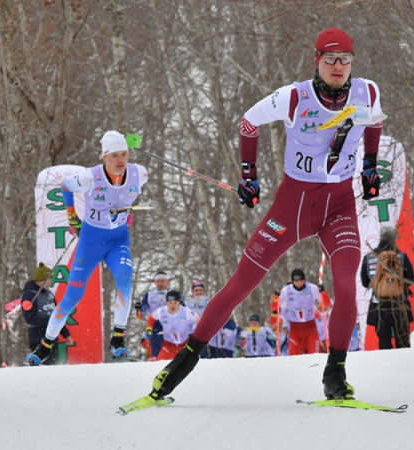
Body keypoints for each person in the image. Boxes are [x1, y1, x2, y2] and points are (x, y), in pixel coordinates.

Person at [145, 27, 384, 401]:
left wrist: (370, 164)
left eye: (345, 59)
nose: (338, 67)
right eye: (330, 59)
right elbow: (248, 122)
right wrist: (248, 175)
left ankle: (335, 374)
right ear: (316, 60)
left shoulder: (366, 92)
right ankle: (183, 362)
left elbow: (375, 122)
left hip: (339, 206)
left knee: (346, 285)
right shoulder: (294, 97)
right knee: (241, 283)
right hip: (294, 206)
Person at [26, 130, 149, 365]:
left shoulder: (138, 173)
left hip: (118, 241)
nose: (120, 160)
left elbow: (128, 195)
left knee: (124, 278)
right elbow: (65, 186)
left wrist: (127, 212)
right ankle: (45, 346)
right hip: (91, 242)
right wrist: (72, 218)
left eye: (124, 154)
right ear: (104, 157)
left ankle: (118, 339)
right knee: (73, 296)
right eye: (114, 156)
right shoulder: (90, 177)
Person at [360, 226, 414, 349]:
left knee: (384, 343)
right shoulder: (401, 256)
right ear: (394, 239)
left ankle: (388, 366)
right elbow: (411, 278)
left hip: (378, 306)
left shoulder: (369, 258)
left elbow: (365, 282)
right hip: (400, 304)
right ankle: (405, 366)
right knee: (402, 342)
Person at [21, 263, 75, 365]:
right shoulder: (29, 295)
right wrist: (49, 320)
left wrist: (66, 334)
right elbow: (30, 318)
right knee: (42, 368)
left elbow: (57, 315)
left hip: (52, 337)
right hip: (38, 338)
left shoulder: (49, 294)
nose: (51, 281)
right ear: (43, 279)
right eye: (50, 278)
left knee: (53, 367)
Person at [146, 290, 199, 360]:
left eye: (175, 302)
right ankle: (154, 357)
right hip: (168, 346)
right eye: (170, 302)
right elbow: (151, 317)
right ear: (167, 303)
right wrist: (149, 329)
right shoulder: (161, 311)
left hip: (184, 346)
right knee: (160, 365)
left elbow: (199, 320)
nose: (172, 305)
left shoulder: (186, 311)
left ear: (179, 303)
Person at [279, 269, 322, 355]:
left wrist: (323, 293)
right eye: (296, 280)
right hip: (295, 329)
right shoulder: (286, 290)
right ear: (292, 281)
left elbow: (323, 303)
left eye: (301, 280)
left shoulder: (312, 288)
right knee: (293, 357)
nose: (299, 282)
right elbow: (278, 308)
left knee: (315, 357)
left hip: (310, 327)